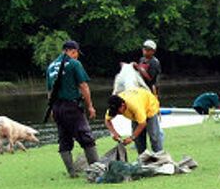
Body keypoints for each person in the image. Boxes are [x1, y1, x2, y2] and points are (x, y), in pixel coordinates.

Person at [46, 40, 98, 177]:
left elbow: (50, 92)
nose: (76, 56)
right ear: (72, 51)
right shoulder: (74, 64)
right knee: (86, 137)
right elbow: (83, 86)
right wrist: (90, 106)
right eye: (76, 53)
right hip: (72, 107)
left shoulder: (51, 66)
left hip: (57, 108)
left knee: (64, 139)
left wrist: (52, 109)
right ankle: (96, 170)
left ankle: (71, 172)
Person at [104, 87, 162, 154]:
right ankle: (142, 158)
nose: (117, 113)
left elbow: (143, 123)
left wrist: (131, 138)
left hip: (149, 106)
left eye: (118, 111)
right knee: (138, 139)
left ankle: (159, 156)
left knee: (154, 136)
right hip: (135, 110)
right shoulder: (114, 105)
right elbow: (107, 120)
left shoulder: (134, 106)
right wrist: (114, 133)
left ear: (123, 105)